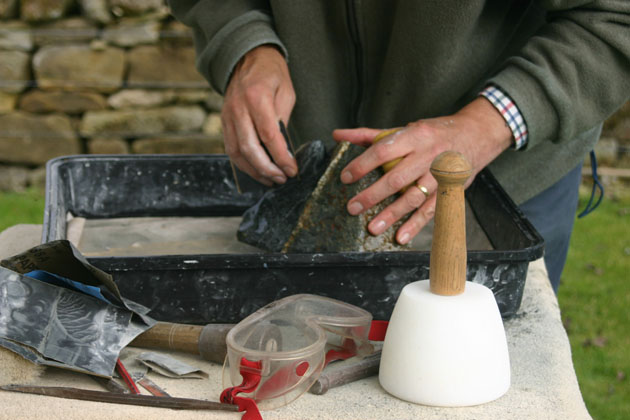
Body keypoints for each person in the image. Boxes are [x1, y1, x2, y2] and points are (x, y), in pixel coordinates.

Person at [169, 1, 630, 292]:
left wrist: (481, 127)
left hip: (503, 171)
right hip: (295, 173)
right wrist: (246, 44)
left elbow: (614, 16)